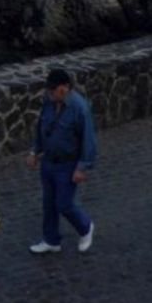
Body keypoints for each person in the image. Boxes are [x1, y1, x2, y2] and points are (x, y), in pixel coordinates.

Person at [26, 68, 97, 255]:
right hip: (48, 162)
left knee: (64, 204)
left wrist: (82, 167)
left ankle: (85, 227)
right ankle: (51, 240)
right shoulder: (49, 102)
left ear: (64, 88)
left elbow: (88, 139)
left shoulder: (79, 108)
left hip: (67, 164)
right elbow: (42, 127)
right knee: (48, 203)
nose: (50, 93)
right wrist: (34, 151)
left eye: (54, 90)